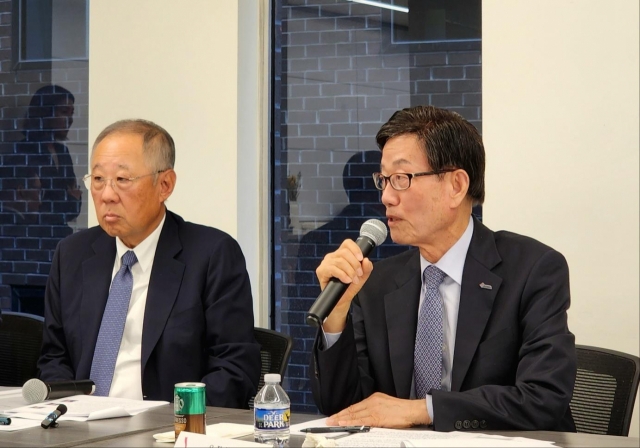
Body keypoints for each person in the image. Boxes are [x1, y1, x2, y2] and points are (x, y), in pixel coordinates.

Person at [309, 105, 576, 432]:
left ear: (456, 186)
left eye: (401, 179)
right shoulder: (378, 284)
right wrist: (336, 316)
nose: (387, 197)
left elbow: (543, 398)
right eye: (383, 180)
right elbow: (345, 411)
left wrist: (424, 410)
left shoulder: (533, 270)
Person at [37, 119, 261, 408]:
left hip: (168, 427)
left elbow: (234, 370)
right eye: (98, 180)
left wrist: (173, 421)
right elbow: (54, 357)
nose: (106, 195)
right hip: (80, 425)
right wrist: (69, 412)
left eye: (122, 180)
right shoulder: (72, 254)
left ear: (164, 184)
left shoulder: (211, 255)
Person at [17, 84, 82, 238]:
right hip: (35, 238)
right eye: (64, 112)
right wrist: (68, 198)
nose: (70, 120)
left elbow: (74, 208)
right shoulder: (24, 150)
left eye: (71, 113)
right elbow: (32, 209)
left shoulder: (62, 152)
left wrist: (68, 200)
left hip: (62, 236)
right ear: (45, 112)